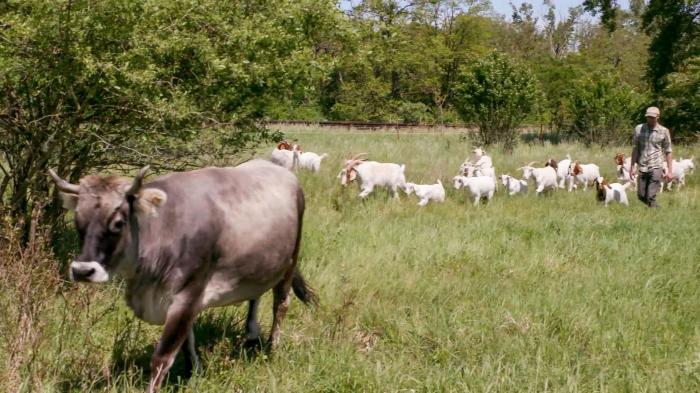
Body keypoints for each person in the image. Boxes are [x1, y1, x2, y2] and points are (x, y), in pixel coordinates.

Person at [629, 106, 673, 208]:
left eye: (653, 117)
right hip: (643, 165)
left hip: (656, 165)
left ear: (658, 117)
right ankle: (657, 209)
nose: (650, 119)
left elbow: (668, 151)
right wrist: (632, 167)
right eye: (648, 117)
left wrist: (670, 171)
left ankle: (654, 215)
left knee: (650, 195)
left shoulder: (664, 131)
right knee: (641, 195)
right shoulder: (639, 129)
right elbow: (635, 149)